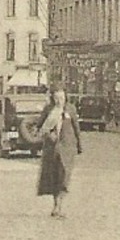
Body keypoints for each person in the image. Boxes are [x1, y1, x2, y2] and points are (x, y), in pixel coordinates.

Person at [37, 88, 83, 218]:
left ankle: (59, 206)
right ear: (53, 98)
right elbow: (39, 126)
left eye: (62, 98)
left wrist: (79, 145)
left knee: (64, 176)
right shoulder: (48, 110)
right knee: (54, 176)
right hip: (51, 148)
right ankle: (56, 205)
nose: (59, 101)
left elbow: (76, 128)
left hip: (67, 148)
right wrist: (48, 134)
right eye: (56, 98)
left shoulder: (71, 109)